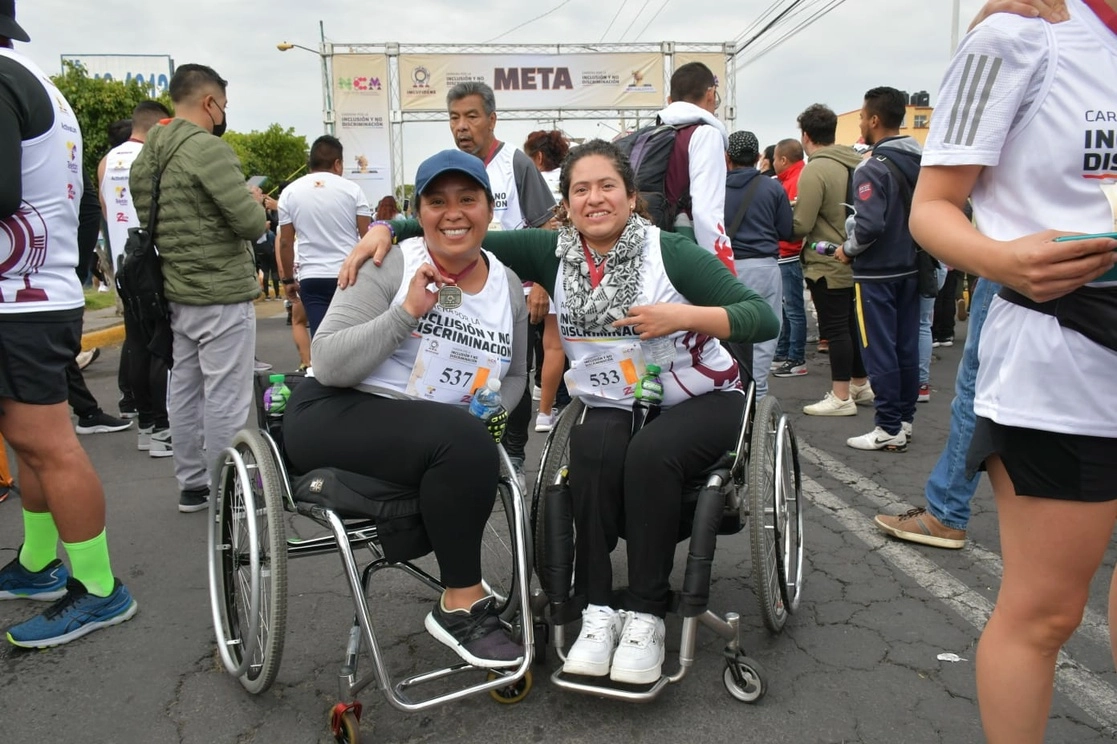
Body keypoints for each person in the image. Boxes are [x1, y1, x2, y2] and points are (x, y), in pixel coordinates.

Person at [345, 139, 779, 686]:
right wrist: (387, 229)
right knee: (592, 450)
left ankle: (644, 614)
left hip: (698, 396)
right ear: (567, 203)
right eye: (581, 189)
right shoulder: (552, 251)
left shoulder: (670, 250)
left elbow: (762, 318)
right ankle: (598, 609)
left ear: (630, 196)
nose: (594, 199)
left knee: (652, 454)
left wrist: (683, 314)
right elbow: (462, 232)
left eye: (607, 187)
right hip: (613, 397)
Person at [906, 1, 1117, 741]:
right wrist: (1005, 262)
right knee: (1045, 611)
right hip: (1063, 361)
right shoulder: (1022, 35)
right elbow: (931, 208)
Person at [283, 149, 527, 668]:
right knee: (460, 438)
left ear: (489, 208)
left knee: (470, 435)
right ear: (419, 212)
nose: (453, 212)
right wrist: (407, 313)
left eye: (468, 199)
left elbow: (518, 374)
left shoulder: (506, 284)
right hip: (338, 409)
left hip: (430, 432)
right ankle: (459, 601)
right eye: (437, 201)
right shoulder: (392, 260)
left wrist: (493, 408)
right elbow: (326, 361)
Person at [0, 2, 138, 647]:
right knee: (29, 441)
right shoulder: (30, 75)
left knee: (47, 442)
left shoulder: (6, 77)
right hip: (35, 290)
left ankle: (100, 588)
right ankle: (36, 564)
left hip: (20, 298)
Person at [130, 63, 267, 513]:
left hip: (174, 291)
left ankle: (193, 485)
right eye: (222, 106)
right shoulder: (208, 150)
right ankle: (227, 488)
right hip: (222, 293)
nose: (223, 115)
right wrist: (253, 204)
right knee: (225, 398)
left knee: (184, 390)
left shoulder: (148, 155)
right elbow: (249, 225)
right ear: (209, 102)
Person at [447, 82, 556, 483]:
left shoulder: (515, 163)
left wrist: (542, 285)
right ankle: (466, 449)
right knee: (460, 369)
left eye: (472, 116)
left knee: (514, 376)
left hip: (514, 291)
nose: (462, 126)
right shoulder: (447, 166)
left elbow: (548, 227)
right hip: (459, 292)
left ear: (491, 120)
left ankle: (513, 454)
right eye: (455, 117)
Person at [834, 87, 922, 452]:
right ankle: (903, 419)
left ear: (873, 119)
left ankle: (887, 427)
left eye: (861, 117)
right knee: (906, 345)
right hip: (913, 266)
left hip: (877, 273)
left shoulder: (871, 167)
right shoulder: (922, 160)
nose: (860, 123)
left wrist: (848, 248)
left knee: (878, 348)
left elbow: (868, 226)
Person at [98, 100, 174, 455]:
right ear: (159, 124)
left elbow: (105, 210)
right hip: (152, 262)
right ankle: (161, 427)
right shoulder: (153, 159)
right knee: (161, 348)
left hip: (123, 262)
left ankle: (147, 425)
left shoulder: (107, 161)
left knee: (138, 345)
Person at [792, 104, 873, 416]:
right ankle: (859, 383)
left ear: (806, 135)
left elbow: (802, 223)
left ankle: (841, 396)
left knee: (836, 328)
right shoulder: (857, 162)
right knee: (851, 326)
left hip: (827, 262)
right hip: (859, 258)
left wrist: (785, 218)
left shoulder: (816, 169)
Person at [276, 135, 371, 334]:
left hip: (312, 277)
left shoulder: (290, 192)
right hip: (349, 275)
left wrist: (287, 280)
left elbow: (285, 242)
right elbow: (368, 237)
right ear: (337, 163)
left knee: (322, 339)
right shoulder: (353, 190)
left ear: (310, 162)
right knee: (352, 338)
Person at [724, 129, 792, 398]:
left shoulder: (713, 186)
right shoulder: (772, 187)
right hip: (764, 267)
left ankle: (731, 394)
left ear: (727, 157)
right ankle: (759, 395)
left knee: (727, 335)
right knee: (764, 336)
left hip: (724, 269)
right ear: (758, 157)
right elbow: (786, 229)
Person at [654, 62, 735, 271]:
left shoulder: (652, 135)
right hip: (687, 251)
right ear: (711, 94)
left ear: (670, 101)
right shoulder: (705, 135)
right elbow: (706, 212)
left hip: (653, 250)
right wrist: (723, 270)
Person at [523, 129, 570, 431]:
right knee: (555, 346)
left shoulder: (531, 182)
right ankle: (544, 414)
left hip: (525, 268)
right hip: (560, 268)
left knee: (515, 350)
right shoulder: (568, 181)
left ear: (537, 157)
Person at [771, 138, 809, 377]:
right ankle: (784, 352)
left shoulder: (797, 181)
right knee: (787, 309)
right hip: (785, 253)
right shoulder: (792, 179)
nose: (773, 163)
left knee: (793, 309)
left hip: (789, 254)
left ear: (783, 159)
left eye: (775, 158)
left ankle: (796, 358)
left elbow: (793, 222)